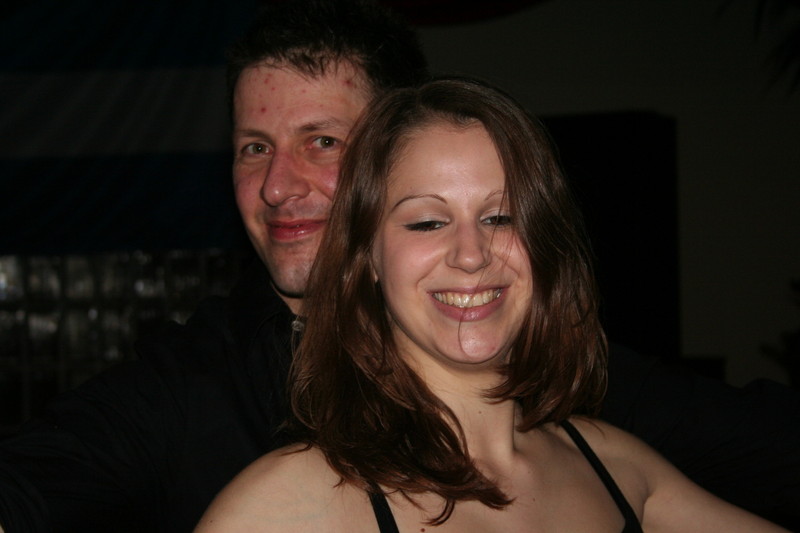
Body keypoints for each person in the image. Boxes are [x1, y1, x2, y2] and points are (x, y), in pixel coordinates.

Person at [0, 0, 798, 531]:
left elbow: (759, 443)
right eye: (253, 148)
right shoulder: (190, 388)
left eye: (321, 141)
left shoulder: (577, 403)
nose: (276, 186)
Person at [195, 76, 787, 532]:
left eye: (500, 217)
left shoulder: (618, 467)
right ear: (367, 258)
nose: (471, 254)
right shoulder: (284, 505)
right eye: (427, 222)